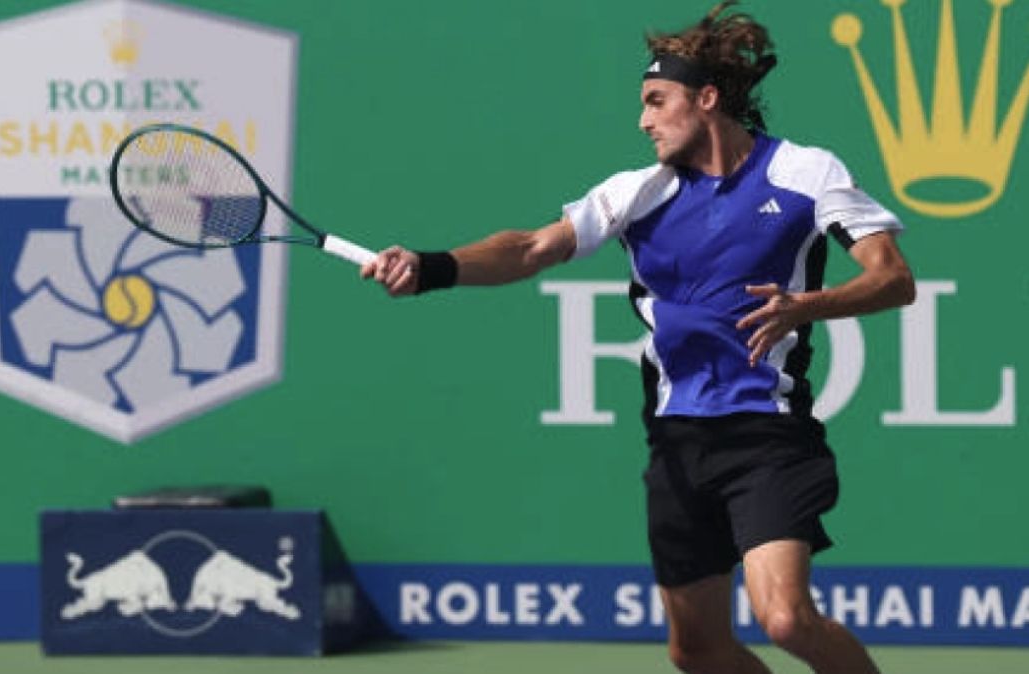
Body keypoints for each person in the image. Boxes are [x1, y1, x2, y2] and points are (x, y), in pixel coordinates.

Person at [361, 2, 914, 672]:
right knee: (698, 650)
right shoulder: (636, 193)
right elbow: (532, 247)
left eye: (657, 101)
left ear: (707, 98)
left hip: (769, 436)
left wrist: (809, 305)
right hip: (677, 442)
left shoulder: (805, 171)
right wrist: (430, 268)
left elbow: (892, 278)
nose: (643, 120)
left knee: (786, 617)